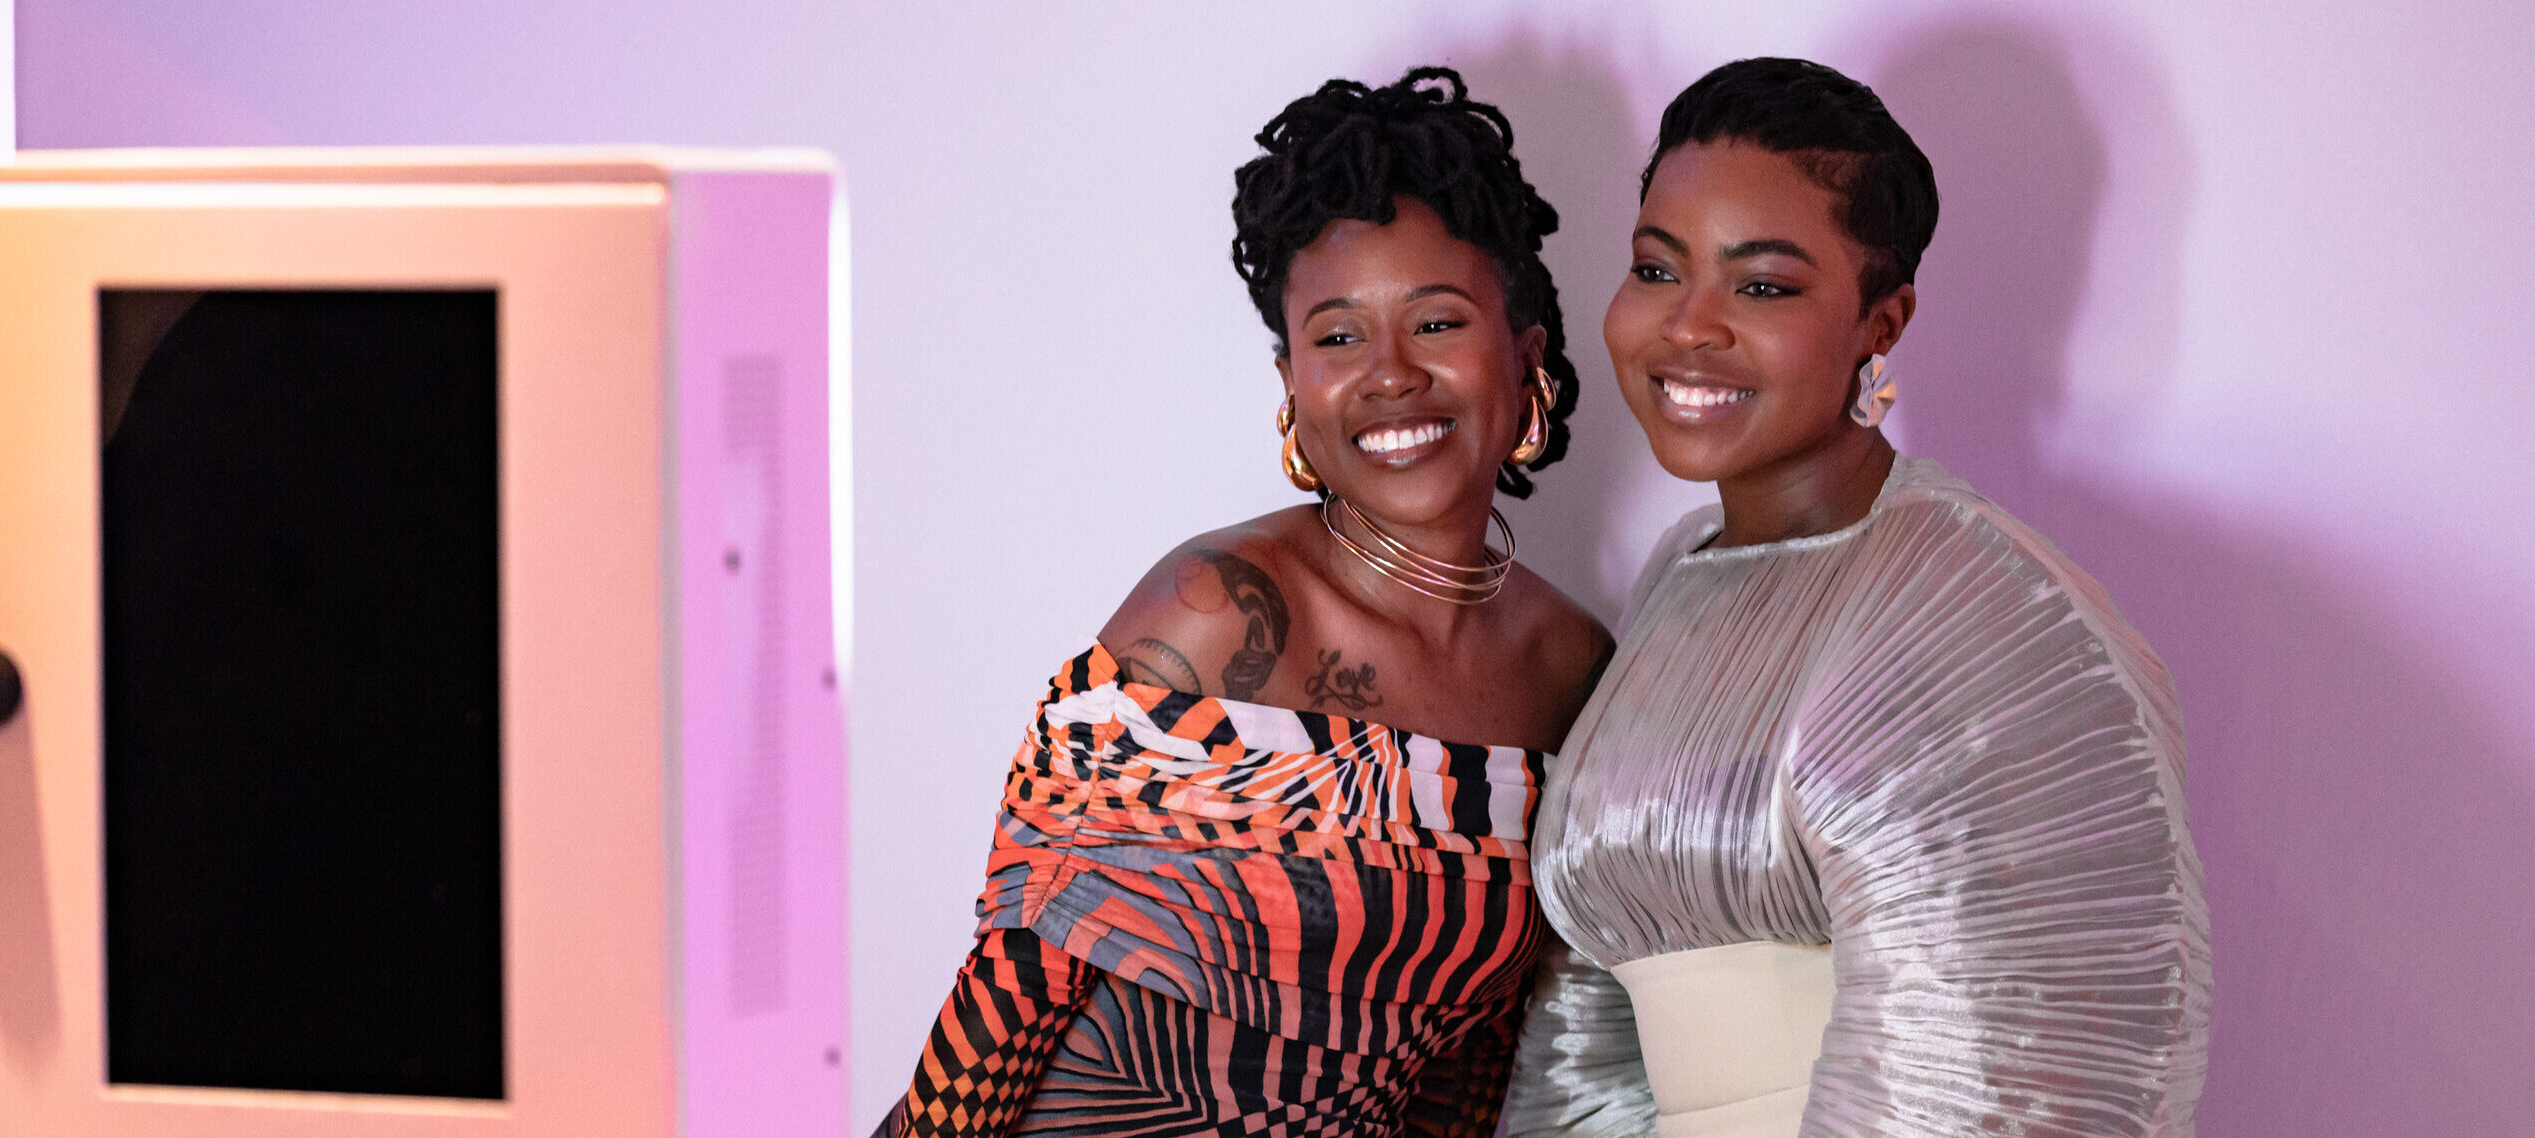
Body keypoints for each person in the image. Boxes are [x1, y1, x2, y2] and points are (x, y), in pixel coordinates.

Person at [881, 67, 1613, 1138]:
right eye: (1336, 336)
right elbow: (1008, 1002)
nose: (1388, 374)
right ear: (1290, 386)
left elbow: (1477, 1060)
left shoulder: (1567, 665)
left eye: (1437, 322)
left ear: (1524, 360)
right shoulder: (1217, 614)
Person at [1508, 58, 2209, 1138]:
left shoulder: (1990, 618)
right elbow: (1588, 1036)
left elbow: (2016, 1077)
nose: (1688, 326)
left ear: (1882, 321)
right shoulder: (1675, 578)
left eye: (1764, 286)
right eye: (1657, 269)